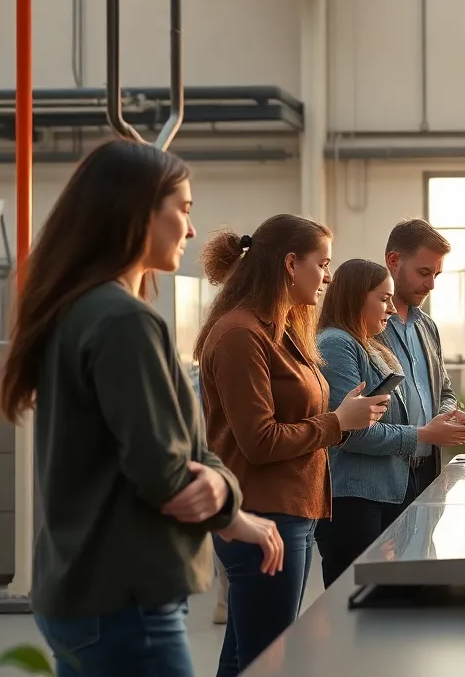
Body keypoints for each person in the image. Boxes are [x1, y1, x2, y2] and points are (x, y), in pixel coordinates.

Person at [0, 140, 283, 677]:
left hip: (80, 593)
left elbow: (187, 457)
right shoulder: (125, 321)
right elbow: (170, 476)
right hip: (124, 600)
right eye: (184, 210)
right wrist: (232, 509)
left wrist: (220, 485)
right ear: (136, 211)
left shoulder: (76, 310)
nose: (192, 230)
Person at [195, 214, 389, 677]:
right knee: (269, 660)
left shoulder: (278, 330)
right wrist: (337, 422)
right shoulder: (242, 334)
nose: (327, 276)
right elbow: (259, 441)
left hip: (289, 511)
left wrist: (338, 416)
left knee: (248, 655)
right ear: (289, 264)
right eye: (322, 264)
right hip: (266, 516)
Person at [314, 259, 465, 586]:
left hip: (385, 492)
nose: (390, 308)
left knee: (388, 599)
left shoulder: (370, 344)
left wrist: (436, 422)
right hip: (356, 499)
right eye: (383, 298)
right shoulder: (337, 343)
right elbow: (353, 432)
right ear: (355, 297)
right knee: (358, 599)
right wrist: (423, 434)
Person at [379, 218, 465, 491]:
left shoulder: (427, 326)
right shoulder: (367, 328)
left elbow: (445, 392)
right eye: (424, 272)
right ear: (393, 261)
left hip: (428, 474)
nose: (431, 284)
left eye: (436, 275)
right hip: (382, 478)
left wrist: (447, 418)